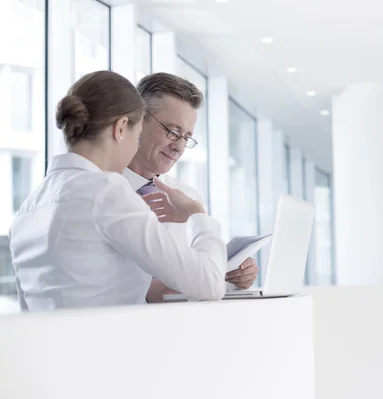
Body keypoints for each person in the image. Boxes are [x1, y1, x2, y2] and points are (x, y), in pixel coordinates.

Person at [9, 71, 227, 311]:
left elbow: (27, 312)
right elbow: (209, 284)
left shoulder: (27, 209)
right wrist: (198, 215)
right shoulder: (107, 192)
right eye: (136, 136)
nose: (134, 146)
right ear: (121, 127)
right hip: (110, 345)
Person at [124, 73, 258, 302]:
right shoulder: (100, 191)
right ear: (137, 120)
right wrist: (143, 292)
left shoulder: (187, 197)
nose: (179, 147)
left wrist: (233, 276)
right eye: (173, 132)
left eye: (186, 137)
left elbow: (203, 279)